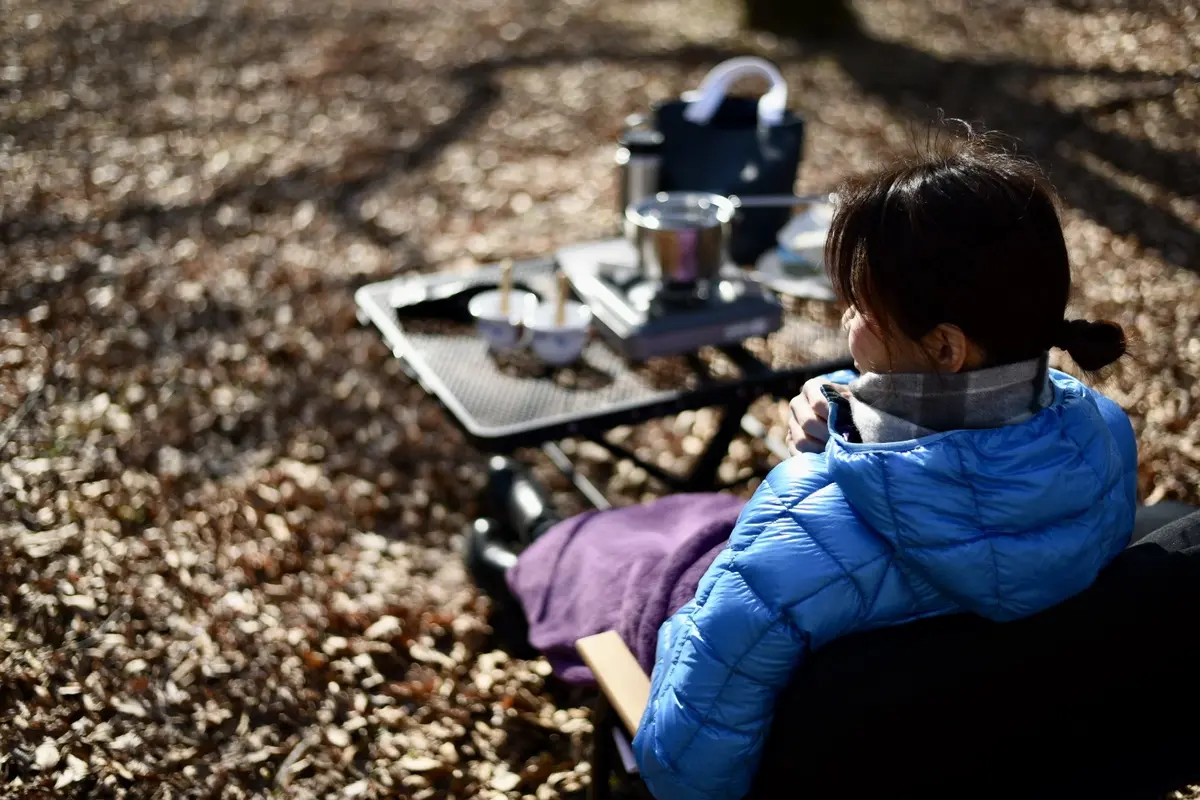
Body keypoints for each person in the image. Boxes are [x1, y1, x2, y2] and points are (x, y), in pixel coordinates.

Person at [482, 128, 1152, 799]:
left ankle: (521, 554)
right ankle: (533, 529)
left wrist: (817, 470)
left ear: (946, 348)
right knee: (685, 525)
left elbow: (684, 765)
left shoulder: (798, 539)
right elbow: (963, 528)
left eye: (862, 308)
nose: (847, 323)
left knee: (617, 561)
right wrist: (844, 434)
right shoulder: (1104, 440)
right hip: (974, 730)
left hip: (762, 642)